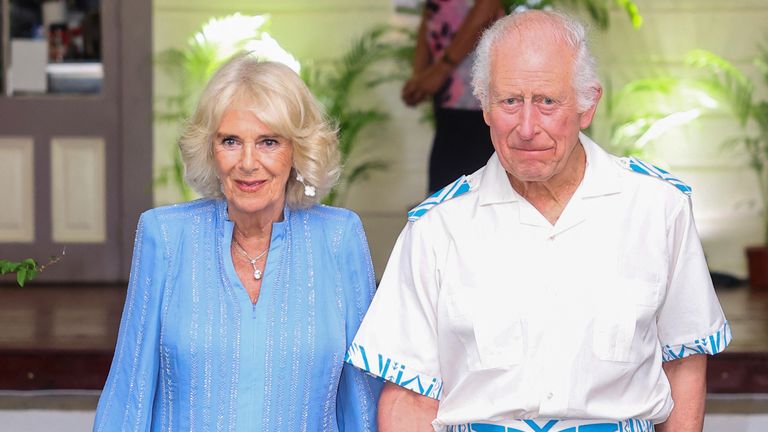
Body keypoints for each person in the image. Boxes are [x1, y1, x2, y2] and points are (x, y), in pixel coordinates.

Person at [346, 9, 731, 432]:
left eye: (547, 101)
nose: (527, 128)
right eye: (510, 101)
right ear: (485, 107)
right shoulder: (437, 227)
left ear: (587, 105)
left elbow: (684, 364)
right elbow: (409, 398)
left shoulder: (658, 208)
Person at [94, 56, 381, 431]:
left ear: (297, 150)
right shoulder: (165, 237)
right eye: (230, 141)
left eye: (268, 142)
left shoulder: (338, 238)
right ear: (210, 149)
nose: (247, 162)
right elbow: (129, 395)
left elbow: (363, 402)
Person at [402, 0, 503, 193]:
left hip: (477, 96)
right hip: (448, 100)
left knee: (480, 185)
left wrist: (441, 70)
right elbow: (432, 11)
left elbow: (486, 9)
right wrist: (420, 75)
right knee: (444, 189)